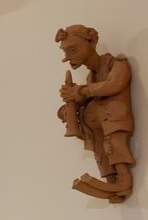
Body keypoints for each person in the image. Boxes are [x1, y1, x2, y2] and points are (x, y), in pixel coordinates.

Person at [56, 24, 134, 202]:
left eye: (73, 50)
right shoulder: (91, 77)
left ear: (92, 42)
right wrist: (73, 103)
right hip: (97, 127)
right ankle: (111, 183)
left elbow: (114, 84)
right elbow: (92, 95)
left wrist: (80, 91)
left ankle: (124, 179)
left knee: (114, 146)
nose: (67, 58)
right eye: (65, 52)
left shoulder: (117, 64)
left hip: (113, 120)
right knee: (101, 152)